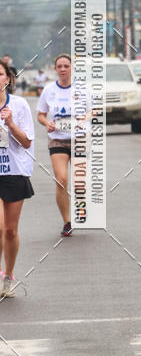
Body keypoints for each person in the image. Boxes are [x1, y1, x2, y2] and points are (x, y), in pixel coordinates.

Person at [0, 60, 35, 298]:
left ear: (8, 79)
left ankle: (8, 276)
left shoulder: (20, 105)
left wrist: (11, 123)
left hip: (14, 171)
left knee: (10, 231)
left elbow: (26, 142)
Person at [37, 54, 74, 237]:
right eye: (59, 66)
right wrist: (47, 123)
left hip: (80, 139)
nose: (63, 69)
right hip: (57, 138)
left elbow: (95, 111)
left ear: (71, 68)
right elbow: (41, 114)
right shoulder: (49, 90)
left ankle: (81, 210)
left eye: (66, 66)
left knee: (81, 183)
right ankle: (67, 221)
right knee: (61, 179)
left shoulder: (83, 90)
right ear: (55, 69)